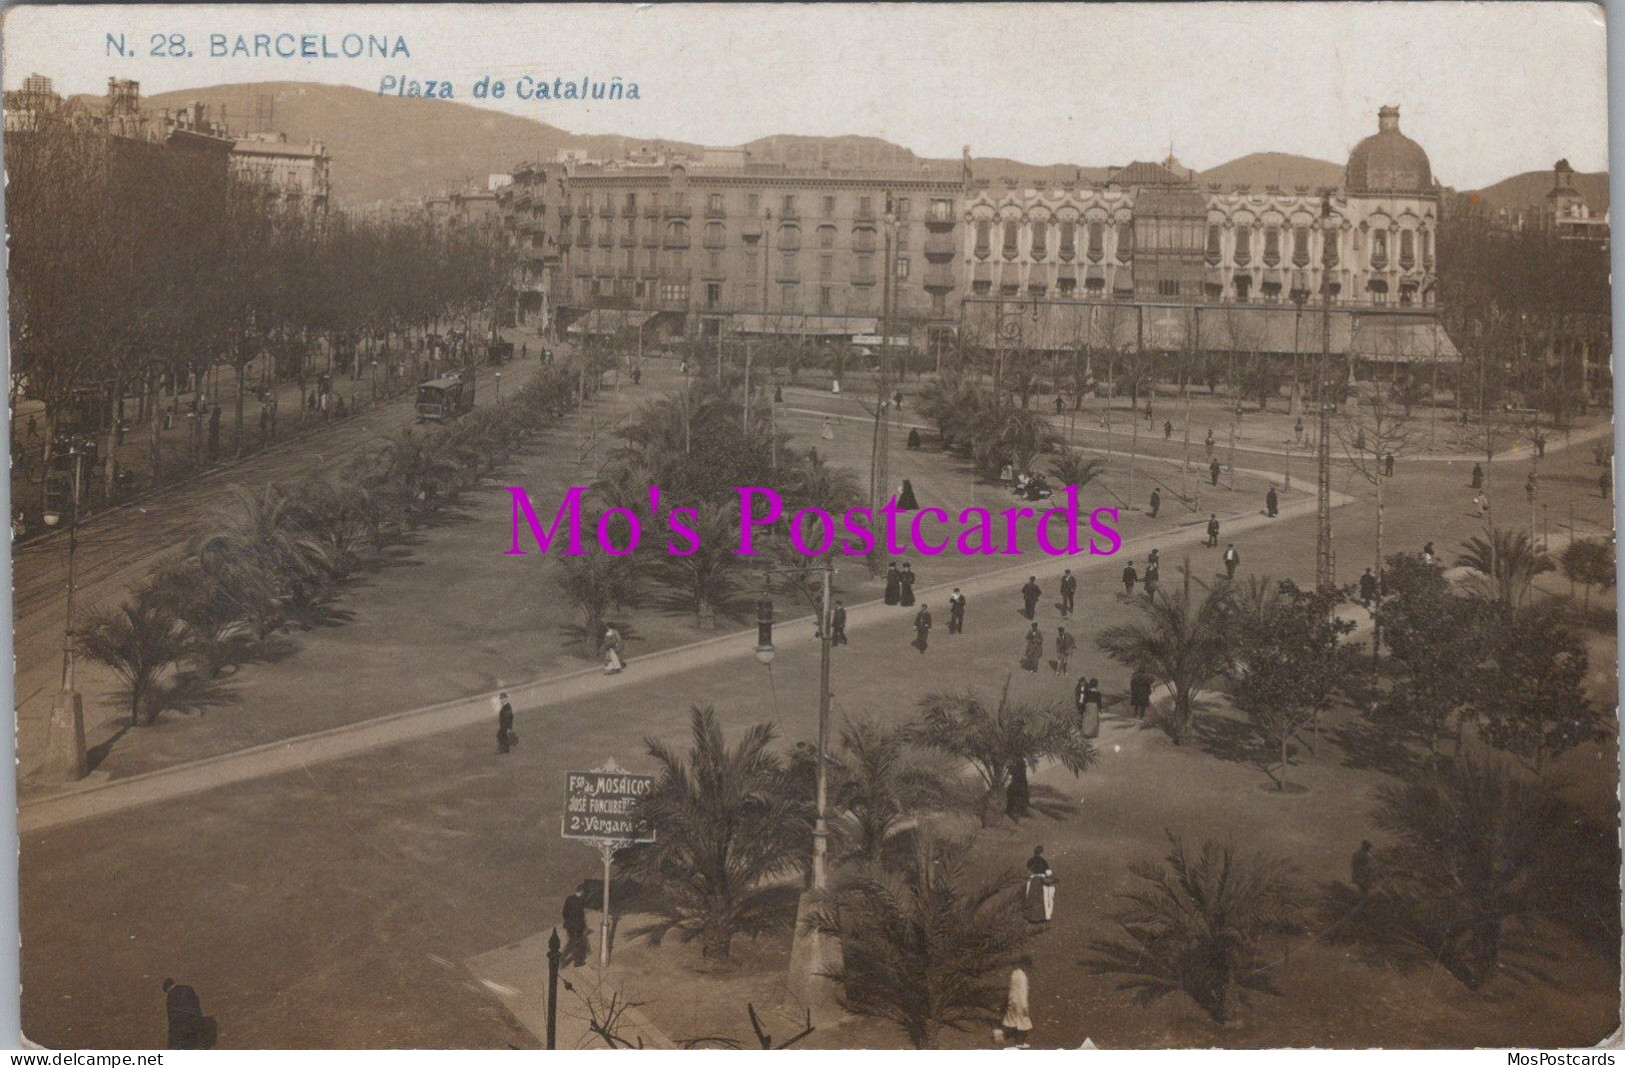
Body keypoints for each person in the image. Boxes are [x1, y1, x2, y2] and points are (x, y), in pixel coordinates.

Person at [163, 978, 212, 1049]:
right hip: (195, 1021)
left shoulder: (170, 997)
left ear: (167, 989)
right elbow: (196, 1003)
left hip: (182, 1027)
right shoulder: (188, 988)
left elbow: (171, 1018)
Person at [1000, 958, 1033, 1048]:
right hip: (1019, 1003)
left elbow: (1012, 989)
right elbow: (1022, 992)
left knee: (1012, 1021)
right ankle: (1019, 1042)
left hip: (1012, 1001)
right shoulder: (1022, 977)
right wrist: (1025, 1006)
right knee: (1024, 1022)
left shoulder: (1014, 973)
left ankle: (1002, 1035)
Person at [1025, 847, 1055, 922]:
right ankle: (1045, 917)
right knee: (1045, 898)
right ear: (1041, 852)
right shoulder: (1043, 861)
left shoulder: (1030, 861)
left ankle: (1031, 917)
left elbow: (1028, 869)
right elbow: (1048, 872)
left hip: (1032, 880)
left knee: (1032, 897)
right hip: (1041, 879)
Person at [562, 886, 590, 967]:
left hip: (568, 926)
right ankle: (577, 962)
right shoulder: (580, 902)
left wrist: (568, 922)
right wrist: (584, 927)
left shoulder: (569, 898)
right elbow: (581, 917)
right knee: (578, 944)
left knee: (572, 942)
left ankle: (563, 958)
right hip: (577, 928)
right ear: (581, 893)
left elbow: (564, 912)